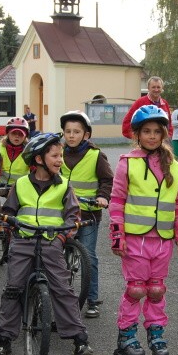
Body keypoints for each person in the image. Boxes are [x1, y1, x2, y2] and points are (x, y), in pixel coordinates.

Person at [0, 132, 94, 355]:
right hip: (23, 241)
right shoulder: (21, 184)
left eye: (61, 155)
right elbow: (9, 212)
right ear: (38, 159)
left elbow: (72, 217)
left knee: (63, 290)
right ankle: (3, 338)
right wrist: (5, 226)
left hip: (51, 242)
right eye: (55, 156)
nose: (60, 160)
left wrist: (60, 239)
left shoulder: (64, 186)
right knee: (13, 288)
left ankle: (79, 338)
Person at [110, 105, 178, 355]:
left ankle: (156, 333)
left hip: (162, 239)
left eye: (157, 131)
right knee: (136, 290)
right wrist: (117, 234)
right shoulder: (128, 164)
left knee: (156, 290)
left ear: (165, 133)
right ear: (137, 134)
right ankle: (127, 334)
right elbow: (117, 200)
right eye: (146, 131)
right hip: (135, 239)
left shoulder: (174, 167)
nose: (152, 136)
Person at [60, 110, 114, 318]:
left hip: (89, 214)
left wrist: (103, 196)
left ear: (86, 135)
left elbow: (107, 180)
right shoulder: (58, 153)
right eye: (68, 132)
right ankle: (60, 296)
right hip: (64, 213)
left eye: (76, 132)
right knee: (55, 255)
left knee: (88, 256)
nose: (71, 135)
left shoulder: (96, 155)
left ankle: (92, 299)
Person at [0, 117, 30, 216]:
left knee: (18, 216)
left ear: (25, 136)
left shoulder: (29, 150)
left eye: (20, 134)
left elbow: (34, 169)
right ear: (8, 134)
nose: (17, 137)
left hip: (21, 187)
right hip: (2, 185)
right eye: (13, 133)